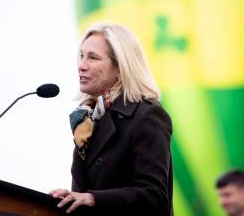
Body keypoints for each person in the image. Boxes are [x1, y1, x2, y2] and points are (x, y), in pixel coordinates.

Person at [50, 23, 173, 215]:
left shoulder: (146, 115)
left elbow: (154, 196)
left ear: (120, 67)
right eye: (81, 56)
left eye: (93, 57)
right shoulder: (87, 120)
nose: (81, 65)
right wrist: (73, 197)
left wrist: (93, 198)